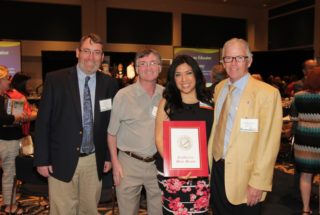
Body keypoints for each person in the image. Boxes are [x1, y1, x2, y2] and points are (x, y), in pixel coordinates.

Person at [34, 33, 118, 215]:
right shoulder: (56, 79)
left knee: (89, 210)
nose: (91, 57)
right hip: (60, 159)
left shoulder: (109, 84)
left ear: (102, 57)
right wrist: (42, 159)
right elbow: (42, 123)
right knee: (63, 210)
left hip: (93, 160)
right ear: (77, 52)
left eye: (96, 53)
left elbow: (110, 123)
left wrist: (108, 157)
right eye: (87, 51)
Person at [207, 38, 283, 215]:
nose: (233, 63)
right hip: (217, 169)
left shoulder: (267, 94)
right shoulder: (219, 89)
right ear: (222, 61)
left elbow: (269, 144)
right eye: (228, 58)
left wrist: (258, 182)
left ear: (249, 60)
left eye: (239, 58)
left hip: (246, 176)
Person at [155, 55, 213, 214]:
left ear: (196, 75)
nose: (184, 79)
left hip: (202, 174)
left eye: (188, 73)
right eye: (178, 74)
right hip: (174, 175)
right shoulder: (167, 102)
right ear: (173, 79)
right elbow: (159, 138)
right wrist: (177, 167)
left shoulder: (209, 101)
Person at [107, 49, 163, 215]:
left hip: (157, 165)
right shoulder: (123, 96)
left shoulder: (167, 94)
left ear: (160, 68)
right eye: (143, 64)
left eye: (153, 63)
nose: (148, 67)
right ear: (137, 69)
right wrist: (115, 163)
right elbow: (111, 133)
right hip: (128, 164)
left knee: (159, 211)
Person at [289, 67, 320, 215]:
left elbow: (293, 117)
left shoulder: (299, 96)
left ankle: (306, 210)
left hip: (303, 140)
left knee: (305, 175)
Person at [0, 66, 27, 215]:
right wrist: (15, 118)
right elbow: (2, 118)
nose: (9, 82)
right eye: (6, 79)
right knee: (10, 172)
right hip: (7, 140)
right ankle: (9, 205)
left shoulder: (4, 97)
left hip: (9, 139)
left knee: (10, 172)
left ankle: (10, 201)